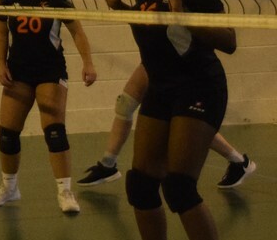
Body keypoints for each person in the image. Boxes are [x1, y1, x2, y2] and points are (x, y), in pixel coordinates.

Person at [98, 0, 242, 240]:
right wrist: (119, 6)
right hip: (162, 86)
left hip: (199, 86)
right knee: (141, 183)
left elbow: (229, 41)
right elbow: (154, 29)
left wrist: (184, 15)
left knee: (178, 186)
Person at [0, 0, 96, 215]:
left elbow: (77, 32)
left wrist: (88, 63)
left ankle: (65, 191)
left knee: (54, 131)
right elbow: (0, 33)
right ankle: (9, 188)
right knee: (7, 134)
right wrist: (1, 64)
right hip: (19, 71)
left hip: (50, 71)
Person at [77, 63, 257, 190]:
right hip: (156, 54)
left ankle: (239, 162)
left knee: (186, 122)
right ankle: (108, 165)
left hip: (178, 60)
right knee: (126, 104)